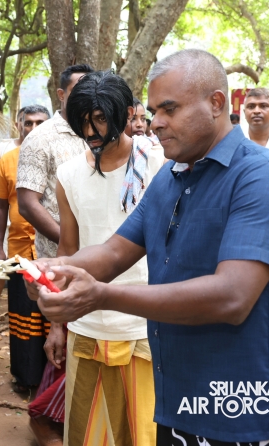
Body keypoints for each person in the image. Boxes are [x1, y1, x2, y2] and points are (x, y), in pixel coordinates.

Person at [26, 49, 269, 444]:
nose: (155, 122)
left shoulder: (263, 176)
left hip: (242, 406)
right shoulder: (170, 178)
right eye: (154, 110)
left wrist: (101, 296)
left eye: (169, 109)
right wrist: (54, 273)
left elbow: (232, 296)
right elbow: (113, 252)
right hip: (177, 397)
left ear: (216, 103)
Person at [49, 70, 164, 446]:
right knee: (85, 434)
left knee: (145, 435)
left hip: (146, 326)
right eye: (83, 121)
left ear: (128, 113)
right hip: (87, 325)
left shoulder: (159, 165)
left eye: (100, 118)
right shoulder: (69, 175)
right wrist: (56, 325)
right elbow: (68, 250)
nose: (91, 130)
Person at [0, 105, 50, 392]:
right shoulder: (8, 159)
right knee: (23, 315)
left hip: (53, 251)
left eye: (40, 123)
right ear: (19, 125)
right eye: (28, 123)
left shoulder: (60, 155)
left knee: (51, 316)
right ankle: (26, 379)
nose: (34, 128)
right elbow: (0, 206)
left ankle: (53, 380)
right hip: (19, 251)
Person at [17, 63, 93, 260]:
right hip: (57, 259)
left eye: (89, 89)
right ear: (61, 94)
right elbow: (27, 204)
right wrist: (70, 243)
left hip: (100, 255)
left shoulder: (100, 133)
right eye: (77, 90)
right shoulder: (40, 138)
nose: (84, 95)